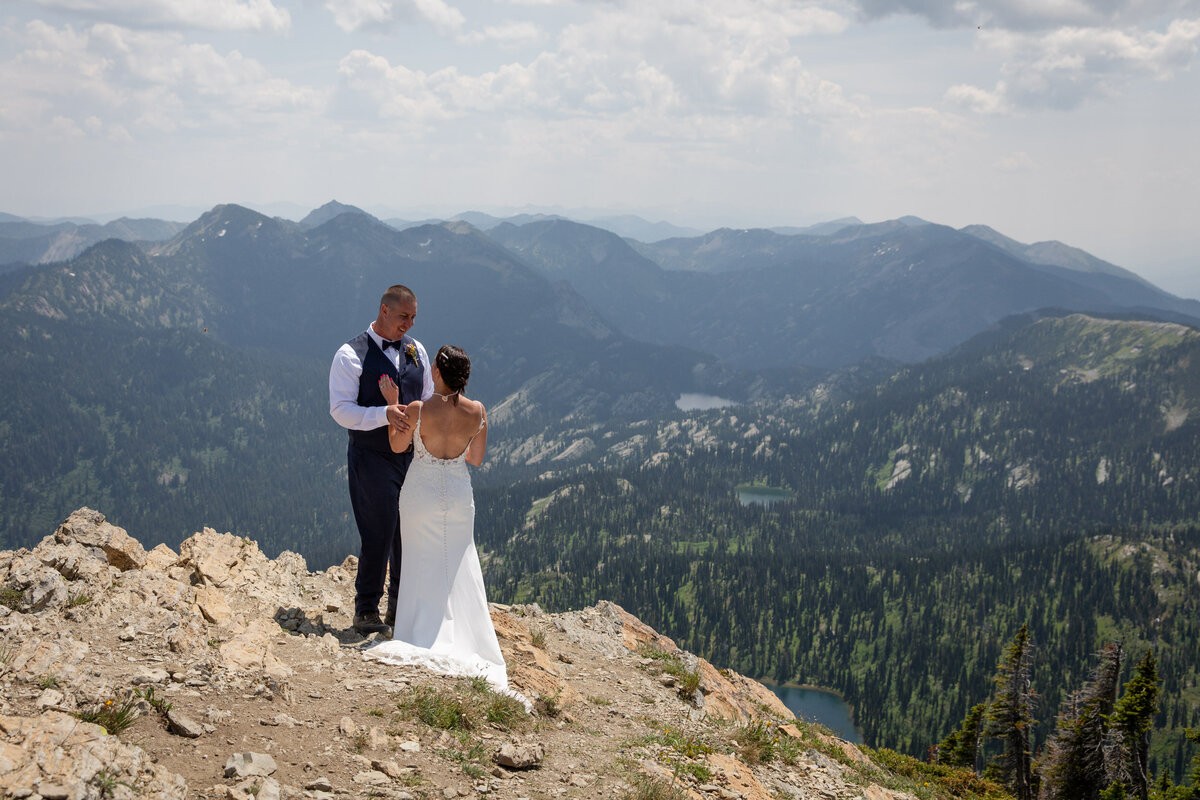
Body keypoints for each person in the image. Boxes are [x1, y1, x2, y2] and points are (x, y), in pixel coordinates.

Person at [365, 345, 518, 698]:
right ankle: (466, 634)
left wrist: (394, 403)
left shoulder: (418, 409)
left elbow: (397, 445)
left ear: (436, 372)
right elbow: (476, 458)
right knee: (459, 561)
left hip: (421, 493)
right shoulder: (478, 410)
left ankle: (420, 631)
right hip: (459, 494)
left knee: (419, 560)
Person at [329, 285, 433, 635]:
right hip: (371, 456)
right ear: (384, 310)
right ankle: (366, 610)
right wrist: (383, 414)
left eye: (414, 317)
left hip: (412, 457)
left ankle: (399, 610)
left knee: (409, 531)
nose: (410, 323)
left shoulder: (417, 350)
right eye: (404, 316)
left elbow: (428, 397)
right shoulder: (349, 354)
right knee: (380, 529)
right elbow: (340, 411)